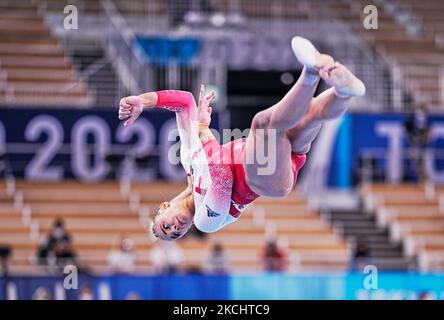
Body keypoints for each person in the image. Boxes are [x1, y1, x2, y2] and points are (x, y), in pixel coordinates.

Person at [118, 36, 366, 241]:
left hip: (271, 159)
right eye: (175, 235)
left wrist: (143, 100)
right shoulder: (206, 220)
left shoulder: (189, 164)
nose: (175, 229)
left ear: (164, 207)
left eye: (165, 227)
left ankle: (344, 92)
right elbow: (222, 173)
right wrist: (203, 128)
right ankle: (311, 72)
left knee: (313, 116)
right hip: (262, 177)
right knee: (262, 124)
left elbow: (185, 103)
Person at [404, 105, 431, 183]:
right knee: (417, 164)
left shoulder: (426, 120)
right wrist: (413, 139)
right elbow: (406, 128)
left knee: (420, 164)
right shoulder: (412, 119)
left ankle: (425, 180)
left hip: (421, 146)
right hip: (415, 144)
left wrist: (422, 140)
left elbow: (428, 134)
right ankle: (423, 179)